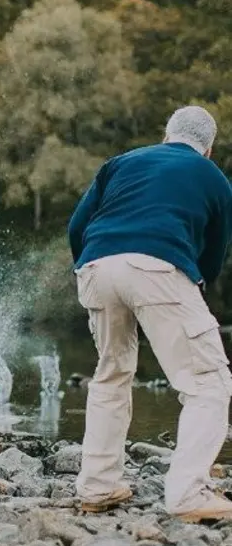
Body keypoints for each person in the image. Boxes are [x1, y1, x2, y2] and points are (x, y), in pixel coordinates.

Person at [68, 106, 232, 522]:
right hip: (158, 267)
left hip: (95, 266)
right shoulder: (213, 177)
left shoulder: (121, 163)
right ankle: (189, 495)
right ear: (208, 149)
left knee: (111, 373)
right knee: (208, 382)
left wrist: (91, 267)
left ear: (166, 135)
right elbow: (214, 254)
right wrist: (195, 283)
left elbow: (77, 226)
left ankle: (98, 486)